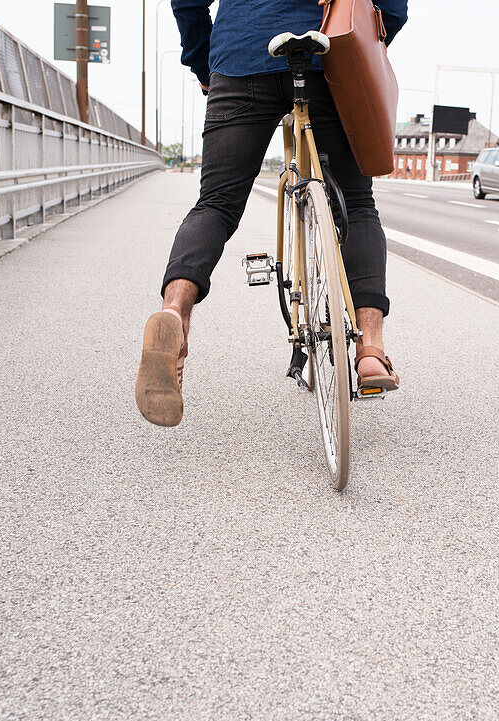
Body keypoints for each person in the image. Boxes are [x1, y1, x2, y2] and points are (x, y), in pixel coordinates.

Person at [136, 0, 409, 427]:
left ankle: (174, 312)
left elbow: (187, 1)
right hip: (329, 55)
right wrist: (373, 36)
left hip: (243, 55)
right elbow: (393, 6)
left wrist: (204, 60)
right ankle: (370, 348)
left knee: (217, 204)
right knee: (355, 203)